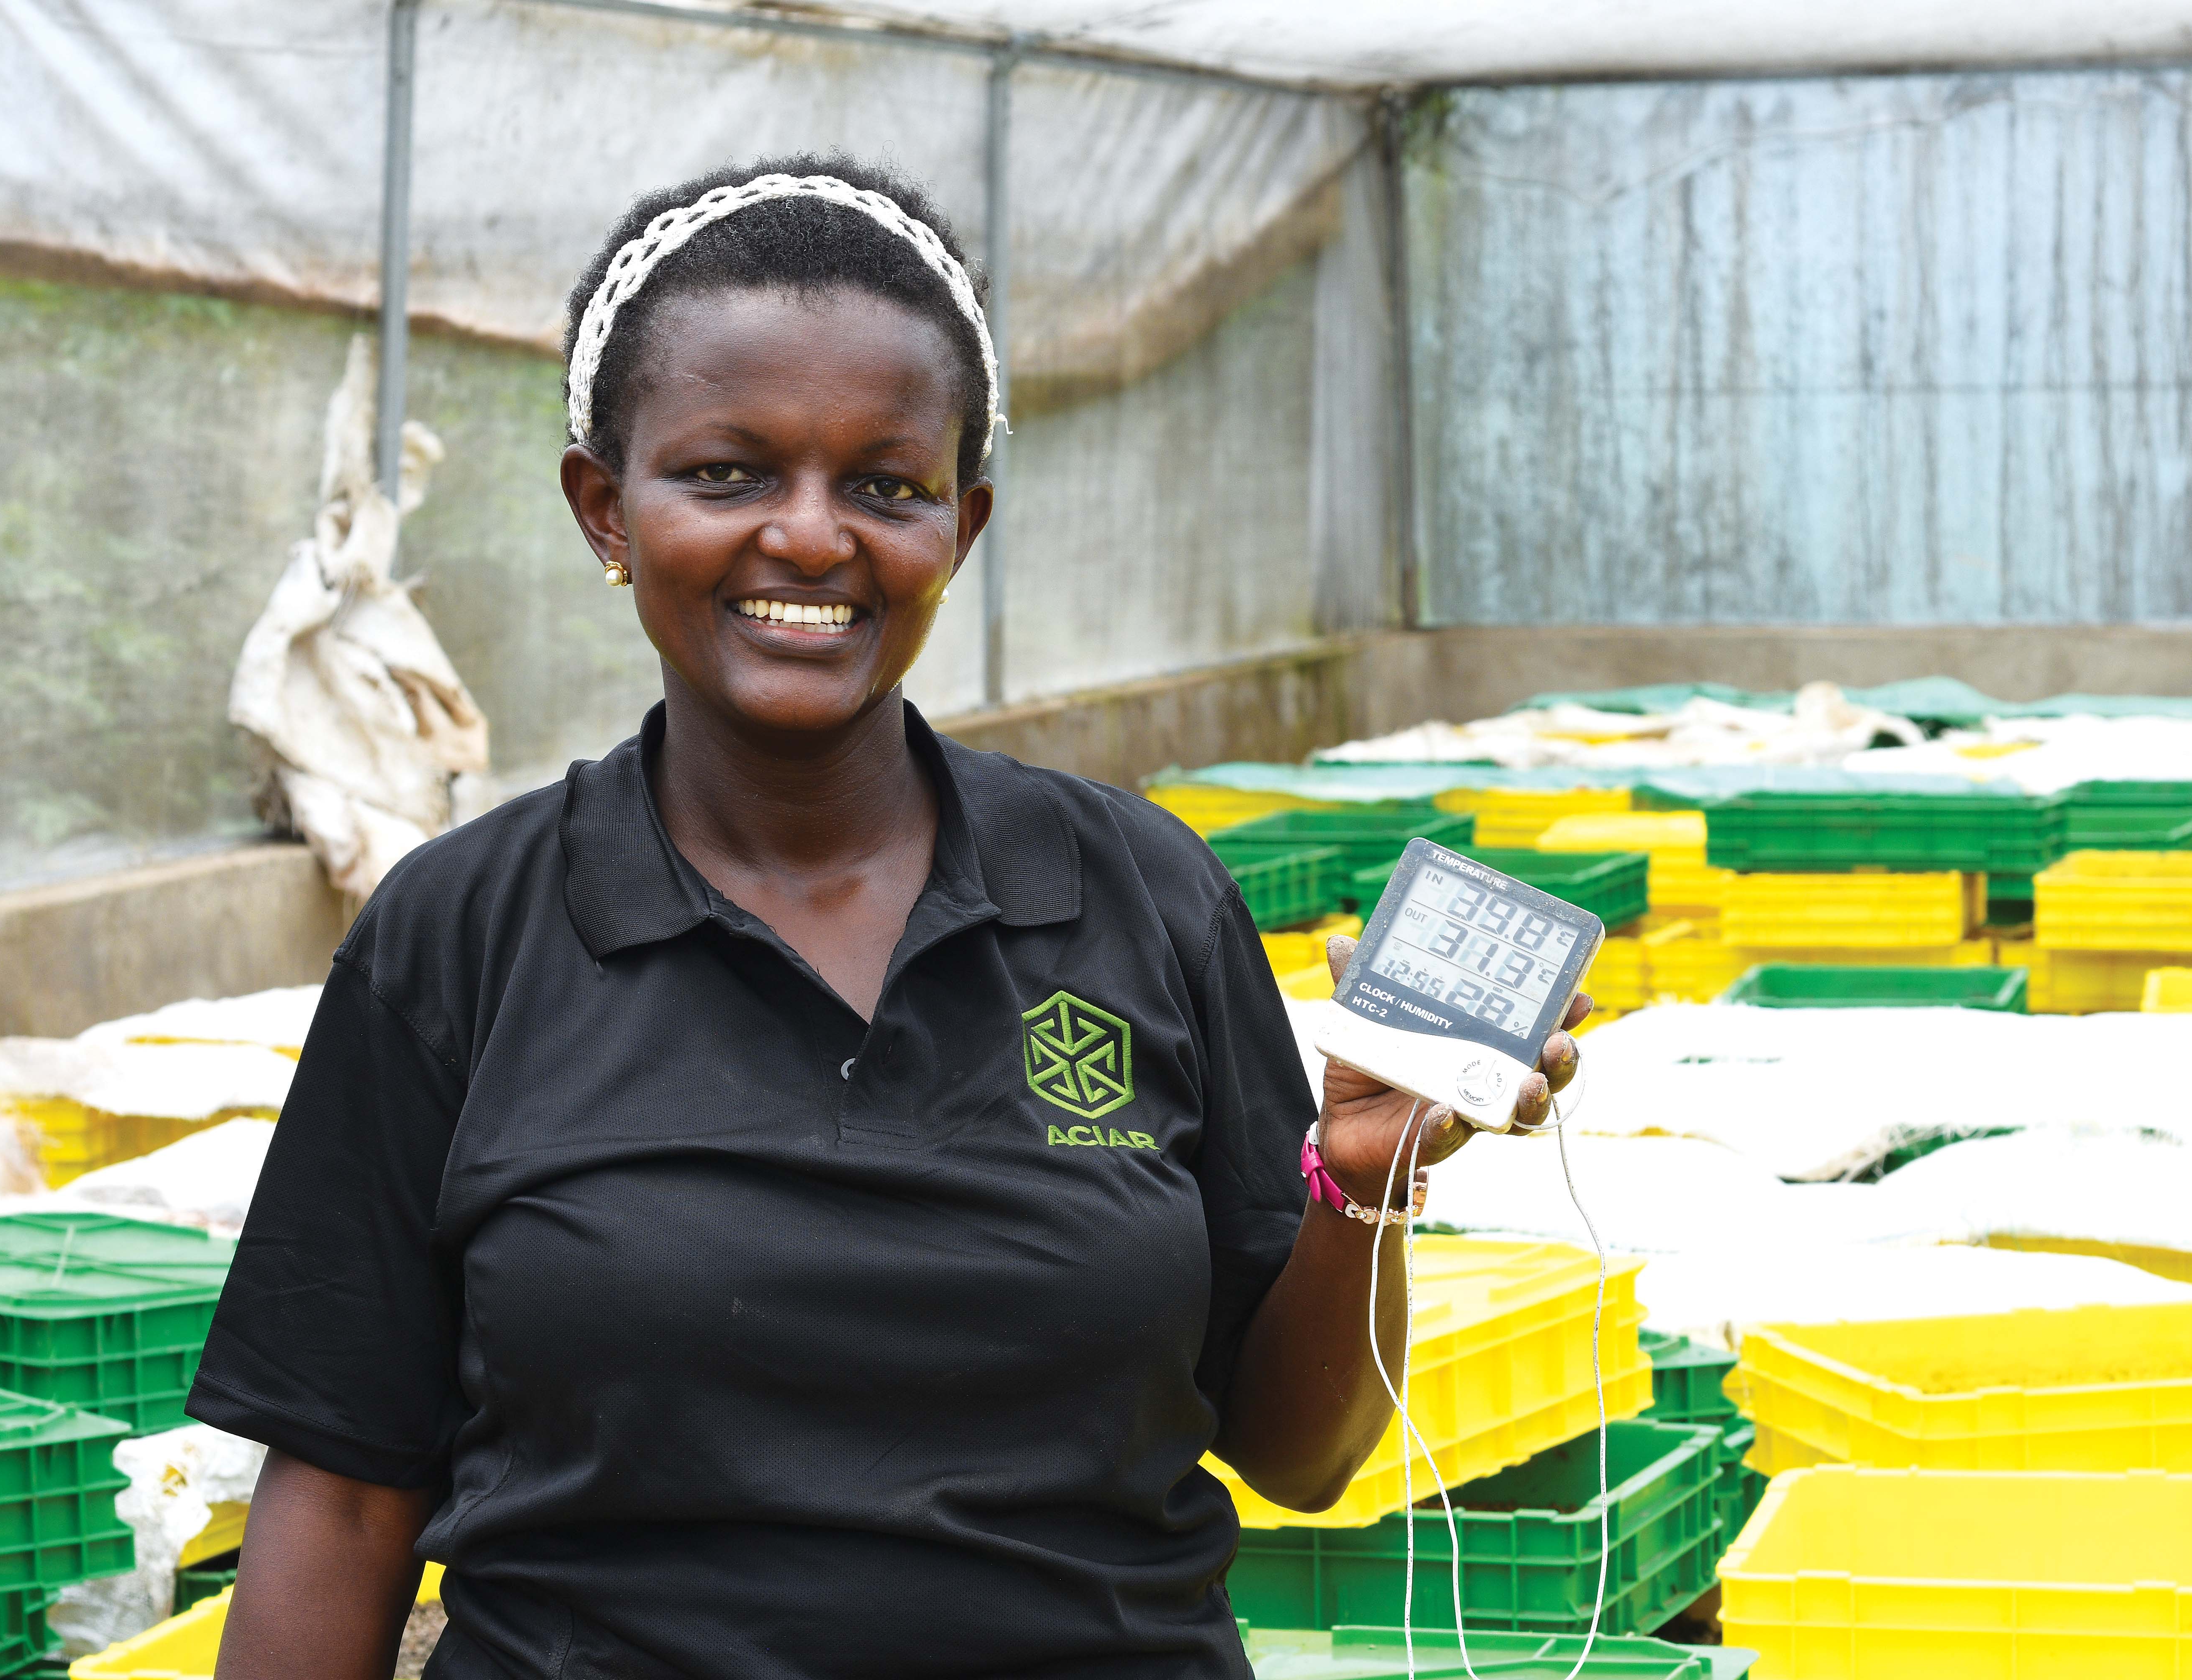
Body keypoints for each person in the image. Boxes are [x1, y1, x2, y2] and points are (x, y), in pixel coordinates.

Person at [190, 152, 1586, 1680]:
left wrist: (1360, 1185)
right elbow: (339, 1501)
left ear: (962, 525)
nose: (810, 537)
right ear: (606, 506)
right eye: (727, 473)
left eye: (885, 483)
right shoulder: (461, 936)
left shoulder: (1137, 894)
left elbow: (1300, 1457)